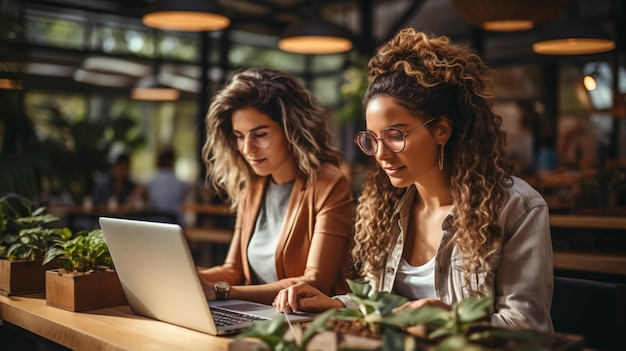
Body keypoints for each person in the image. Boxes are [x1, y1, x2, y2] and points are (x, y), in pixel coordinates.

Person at [273, 28, 554, 333]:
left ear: (441, 131)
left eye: (396, 135)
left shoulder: (516, 208)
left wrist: (448, 319)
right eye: (372, 139)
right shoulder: (387, 207)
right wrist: (337, 304)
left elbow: (528, 326)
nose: (381, 154)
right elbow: (385, 307)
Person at [197, 68, 354, 305]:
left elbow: (314, 282)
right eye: (239, 136)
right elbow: (232, 270)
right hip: (254, 316)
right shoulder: (252, 185)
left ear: (292, 130)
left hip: (307, 323)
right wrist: (190, 277)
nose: (248, 148)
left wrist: (226, 292)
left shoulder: (328, 183)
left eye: (259, 134)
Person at [126, 147, 190, 224]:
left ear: (157, 160)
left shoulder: (149, 181)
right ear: (173, 161)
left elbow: (130, 204)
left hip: (155, 223)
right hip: (174, 223)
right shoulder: (181, 184)